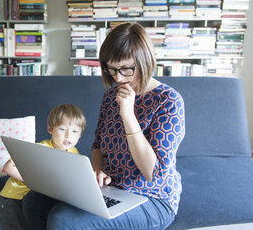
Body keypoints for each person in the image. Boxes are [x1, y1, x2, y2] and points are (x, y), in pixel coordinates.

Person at [22, 22, 185, 230]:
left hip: (152, 197)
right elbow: (97, 145)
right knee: (32, 202)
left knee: (62, 220)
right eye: (112, 69)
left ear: (145, 62)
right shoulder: (110, 96)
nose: (118, 78)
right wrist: (97, 171)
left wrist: (128, 115)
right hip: (109, 189)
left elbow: (152, 173)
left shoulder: (169, 101)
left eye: (127, 69)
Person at [0, 104, 86, 230]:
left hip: (33, 202)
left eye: (74, 131)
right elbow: (8, 167)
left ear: (80, 134)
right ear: (50, 129)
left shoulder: (74, 152)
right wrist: (34, 182)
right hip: (13, 198)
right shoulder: (40, 148)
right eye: (62, 129)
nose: (68, 136)